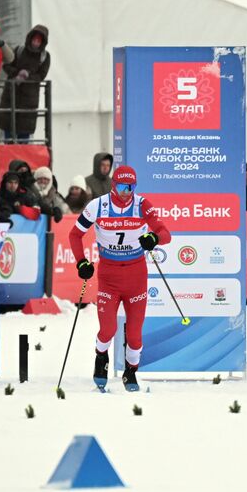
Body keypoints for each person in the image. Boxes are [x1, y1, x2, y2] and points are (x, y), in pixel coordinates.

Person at [69, 165, 172, 392]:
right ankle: (101, 358)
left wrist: (153, 238)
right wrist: (81, 262)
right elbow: (75, 235)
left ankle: (131, 372)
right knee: (107, 330)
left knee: (135, 336)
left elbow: (166, 234)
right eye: (123, 187)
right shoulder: (98, 206)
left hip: (136, 277)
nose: (127, 192)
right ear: (113, 186)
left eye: (131, 187)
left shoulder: (142, 205)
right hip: (109, 276)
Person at [0, 24, 50, 142]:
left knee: (24, 139)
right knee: (9, 136)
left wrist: (27, 76)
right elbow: (6, 65)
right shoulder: (19, 50)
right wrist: (17, 74)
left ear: (43, 42)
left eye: (39, 40)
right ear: (30, 38)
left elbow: (41, 75)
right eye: (35, 38)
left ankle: (20, 159)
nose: (36, 42)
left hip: (29, 101)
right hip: (11, 97)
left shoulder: (44, 57)